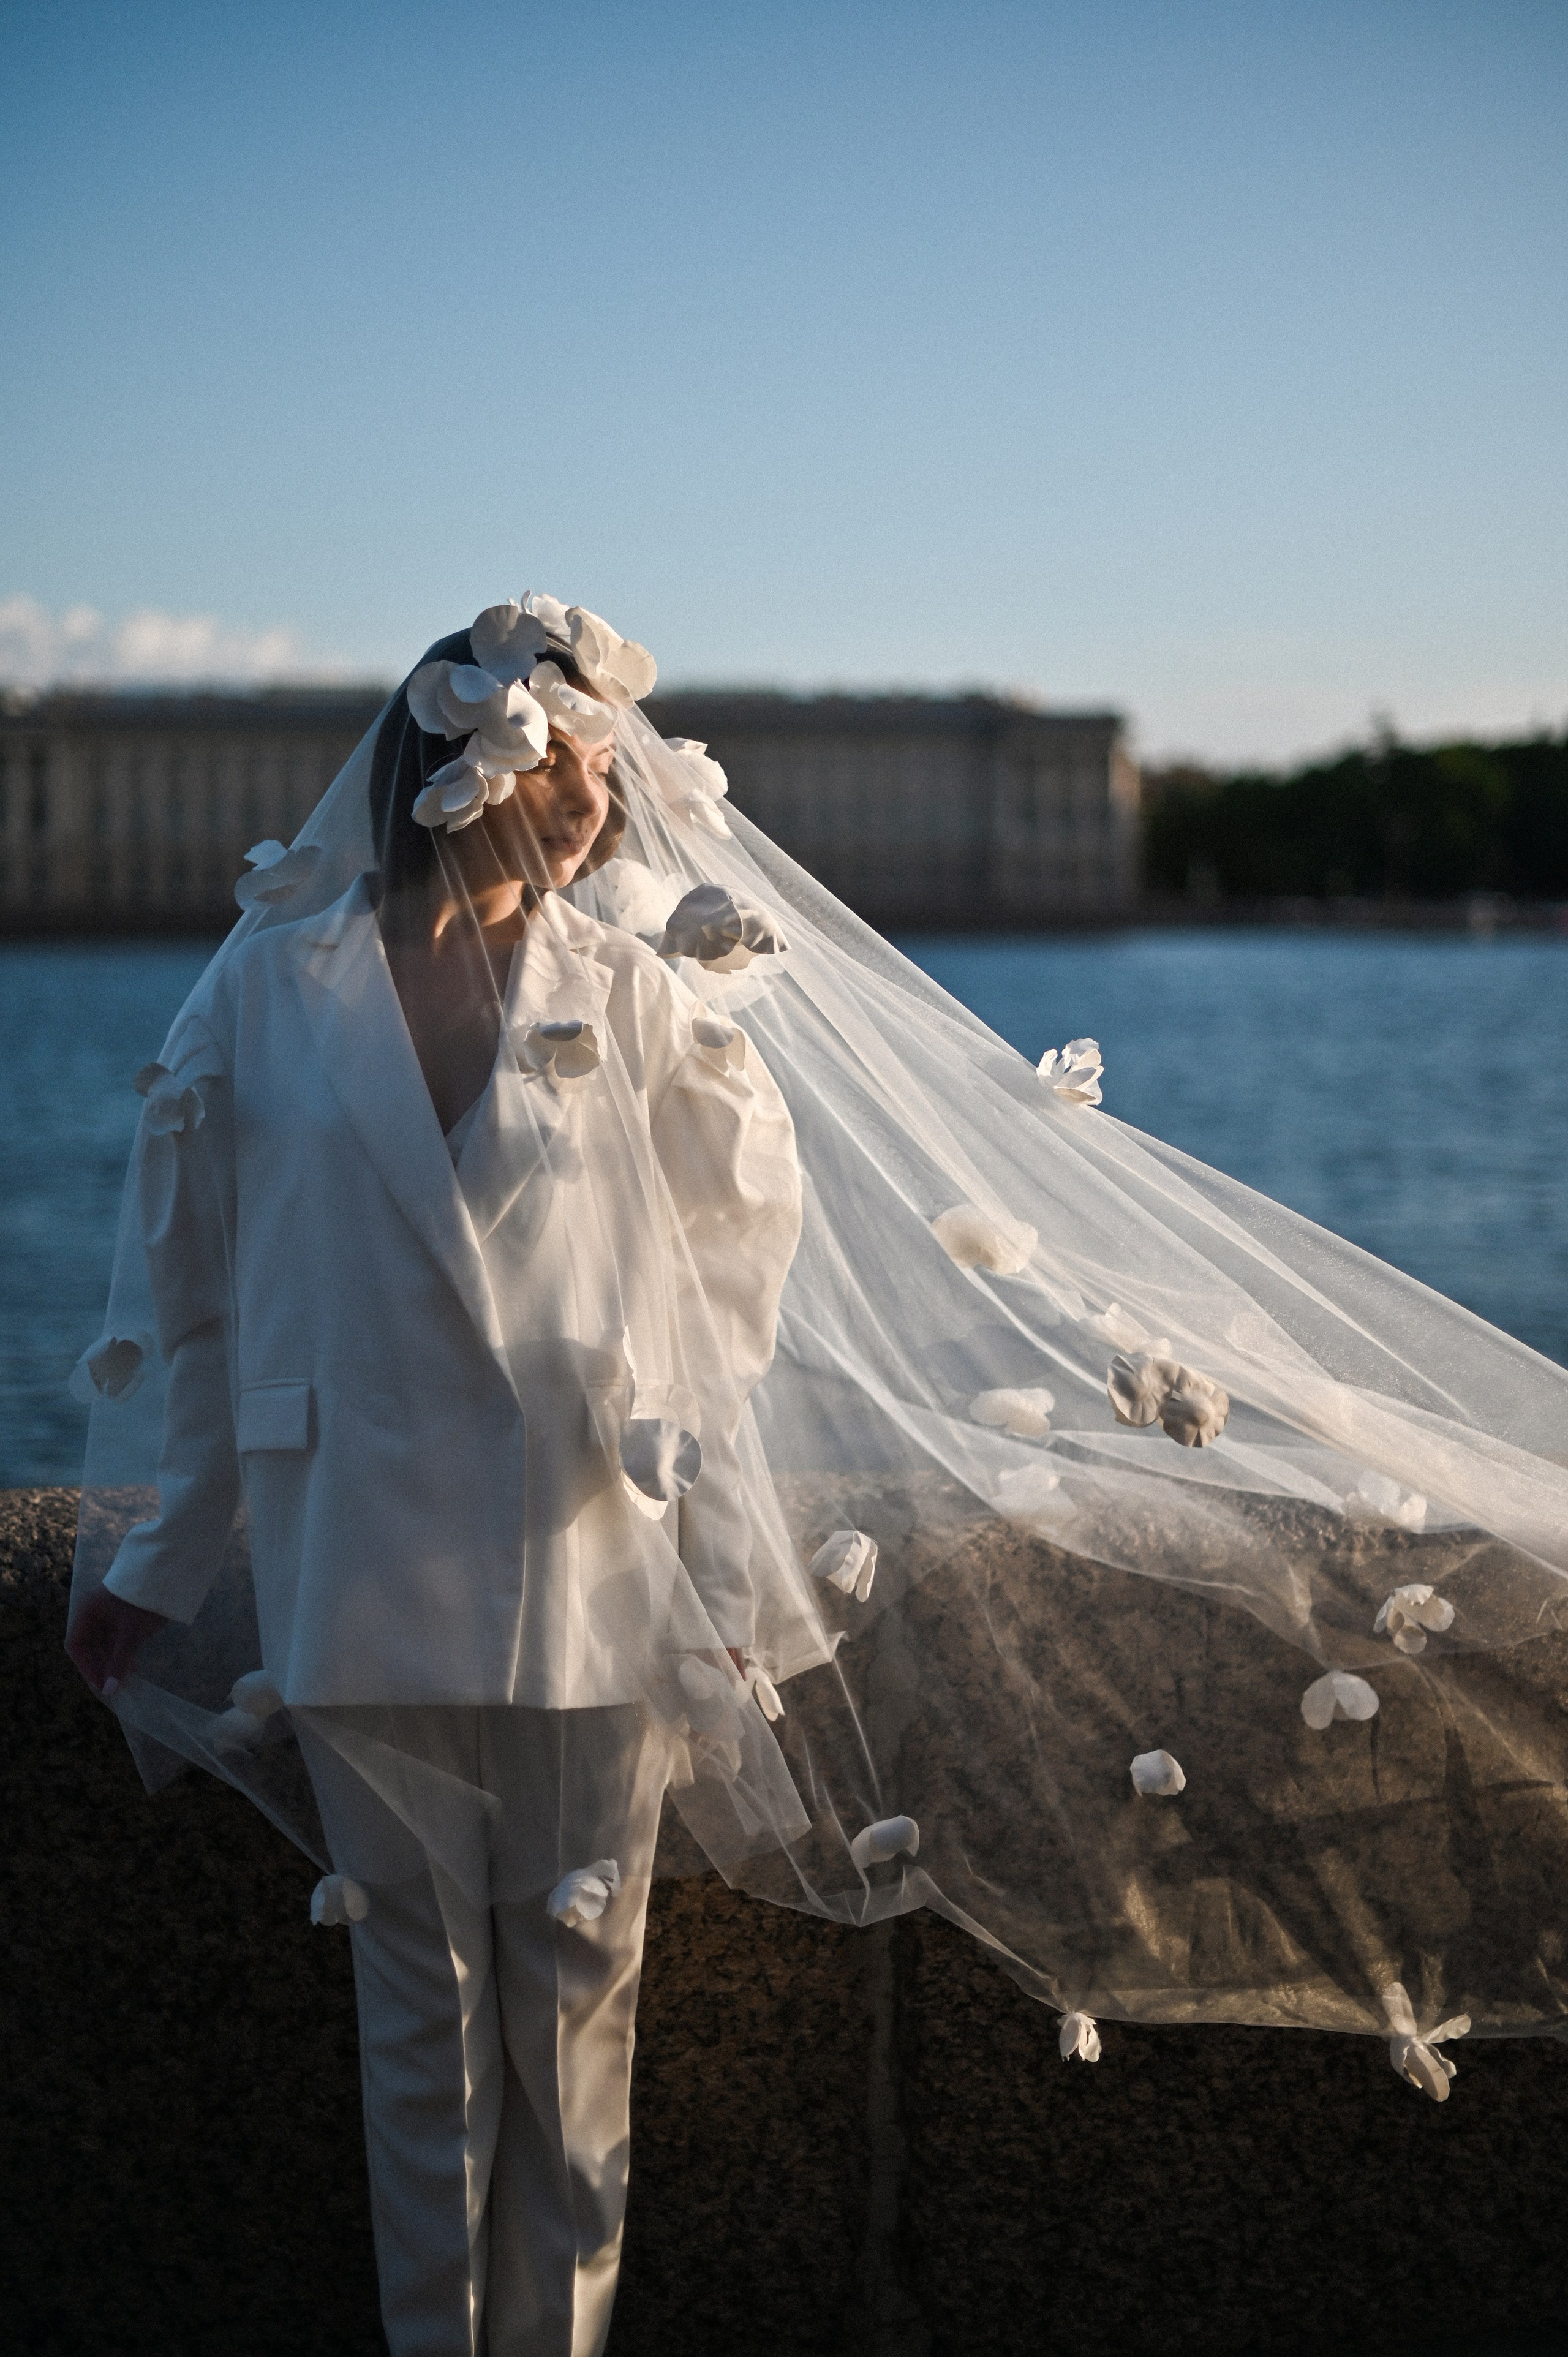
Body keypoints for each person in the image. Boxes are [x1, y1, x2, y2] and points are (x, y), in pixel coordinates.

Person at [67, 595, 1568, 2353]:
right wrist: (168, 1553)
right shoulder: (270, 980)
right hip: (358, 1561)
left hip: (588, 1555)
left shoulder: (633, 989)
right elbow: (199, 1286)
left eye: (617, 772)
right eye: (587, 762)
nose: (614, 801)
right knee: (417, 2035)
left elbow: (739, 1259)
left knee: (573, 2034)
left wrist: (696, 1490)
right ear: (483, 756)